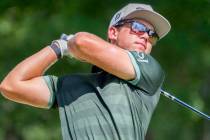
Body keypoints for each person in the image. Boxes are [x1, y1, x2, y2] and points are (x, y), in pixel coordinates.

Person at [0, 3, 171, 140]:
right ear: (113, 32)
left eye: (152, 35)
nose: (146, 36)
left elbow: (81, 42)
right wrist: (59, 47)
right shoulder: (71, 85)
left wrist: (72, 45)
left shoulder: (151, 70)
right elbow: (11, 85)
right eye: (137, 27)